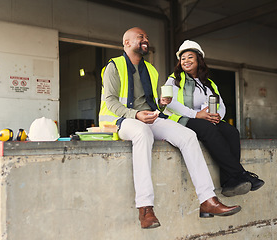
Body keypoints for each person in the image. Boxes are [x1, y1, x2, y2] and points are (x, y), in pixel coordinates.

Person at [99, 28, 241, 229]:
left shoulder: (151, 70)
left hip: (150, 116)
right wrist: (136, 115)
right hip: (123, 120)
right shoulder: (114, 66)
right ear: (127, 43)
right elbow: (111, 101)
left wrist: (161, 104)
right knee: (143, 134)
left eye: (147, 37)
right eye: (141, 37)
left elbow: (151, 103)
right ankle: (145, 208)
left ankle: (208, 200)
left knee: (188, 135)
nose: (146, 40)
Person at [164, 40, 265, 198]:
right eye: (182, 58)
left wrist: (217, 116)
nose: (185, 61)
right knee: (208, 129)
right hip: (183, 120)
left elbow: (220, 105)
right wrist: (196, 114)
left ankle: (229, 182)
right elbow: (170, 104)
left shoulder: (209, 83)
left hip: (205, 120)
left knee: (231, 132)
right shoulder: (174, 79)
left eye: (190, 57)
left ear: (199, 60)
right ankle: (240, 173)